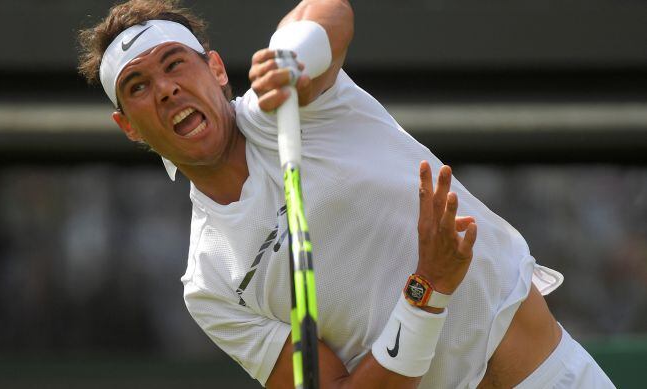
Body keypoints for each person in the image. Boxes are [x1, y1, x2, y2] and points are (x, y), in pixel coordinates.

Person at [77, 1, 615, 387]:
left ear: (216, 69)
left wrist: (295, 58)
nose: (166, 88)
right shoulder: (210, 285)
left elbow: (327, 12)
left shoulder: (289, 103)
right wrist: (427, 290)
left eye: (175, 64)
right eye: (138, 86)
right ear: (129, 127)